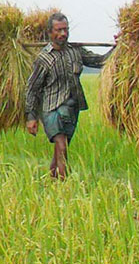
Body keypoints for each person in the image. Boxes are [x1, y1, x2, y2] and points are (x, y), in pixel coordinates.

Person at [25, 12, 114, 179]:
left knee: (61, 150)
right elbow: (32, 88)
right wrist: (31, 117)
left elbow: (100, 61)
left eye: (65, 30)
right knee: (61, 145)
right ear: (50, 33)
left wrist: (118, 46)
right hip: (51, 109)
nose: (63, 34)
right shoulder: (44, 59)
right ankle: (64, 187)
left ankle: (52, 182)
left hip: (72, 108)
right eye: (58, 30)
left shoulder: (76, 51)